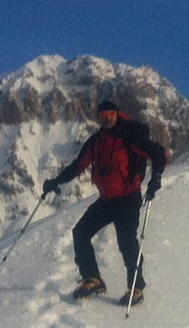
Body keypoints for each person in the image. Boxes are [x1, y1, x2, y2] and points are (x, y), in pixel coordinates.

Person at [43, 100, 167, 302]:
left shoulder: (129, 136)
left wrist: (156, 178)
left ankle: (136, 288)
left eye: (110, 113)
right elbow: (77, 166)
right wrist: (55, 181)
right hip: (106, 200)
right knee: (80, 232)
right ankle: (92, 278)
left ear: (117, 114)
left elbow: (158, 153)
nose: (107, 118)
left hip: (128, 198)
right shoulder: (95, 142)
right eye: (103, 115)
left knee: (127, 242)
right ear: (98, 118)